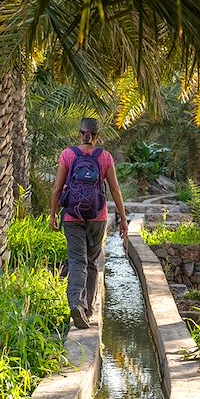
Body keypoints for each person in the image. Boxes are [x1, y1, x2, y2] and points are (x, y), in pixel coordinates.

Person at [50, 117, 128, 329]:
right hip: (97, 216)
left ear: (79, 133)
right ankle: (88, 309)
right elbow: (115, 189)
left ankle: (75, 302)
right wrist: (123, 219)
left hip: (71, 216)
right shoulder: (104, 157)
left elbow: (57, 189)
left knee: (77, 260)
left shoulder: (68, 155)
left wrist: (53, 214)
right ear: (97, 136)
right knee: (93, 261)